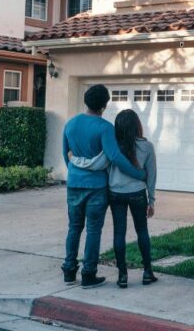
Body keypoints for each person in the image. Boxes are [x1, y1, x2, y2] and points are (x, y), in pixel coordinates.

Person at [61, 84, 146, 289]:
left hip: (74, 184)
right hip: (97, 187)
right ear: (105, 105)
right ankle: (89, 274)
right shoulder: (105, 128)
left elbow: (66, 155)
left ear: (86, 101)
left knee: (74, 228)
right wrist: (139, 174)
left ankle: (69, 271)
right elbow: (115, 157)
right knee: (93, 230)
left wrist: (76, 174)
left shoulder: (70, 124)